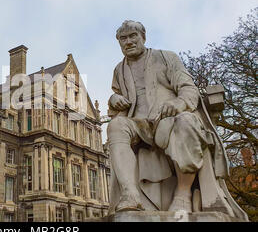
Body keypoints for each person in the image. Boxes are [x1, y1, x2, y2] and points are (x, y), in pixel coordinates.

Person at [106, 20, 247, 220]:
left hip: (169, 118)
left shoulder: (166, 57)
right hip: (138, 123)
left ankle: (183, 192)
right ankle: (131, 194)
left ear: (143, 37)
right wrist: (114, 98)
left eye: (132, 36)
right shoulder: (118, 70)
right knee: (115, 126)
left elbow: (189, 88)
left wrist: (179, 104)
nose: (128, 42)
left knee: (186, 122)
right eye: (123, 38)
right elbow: (119, 98)